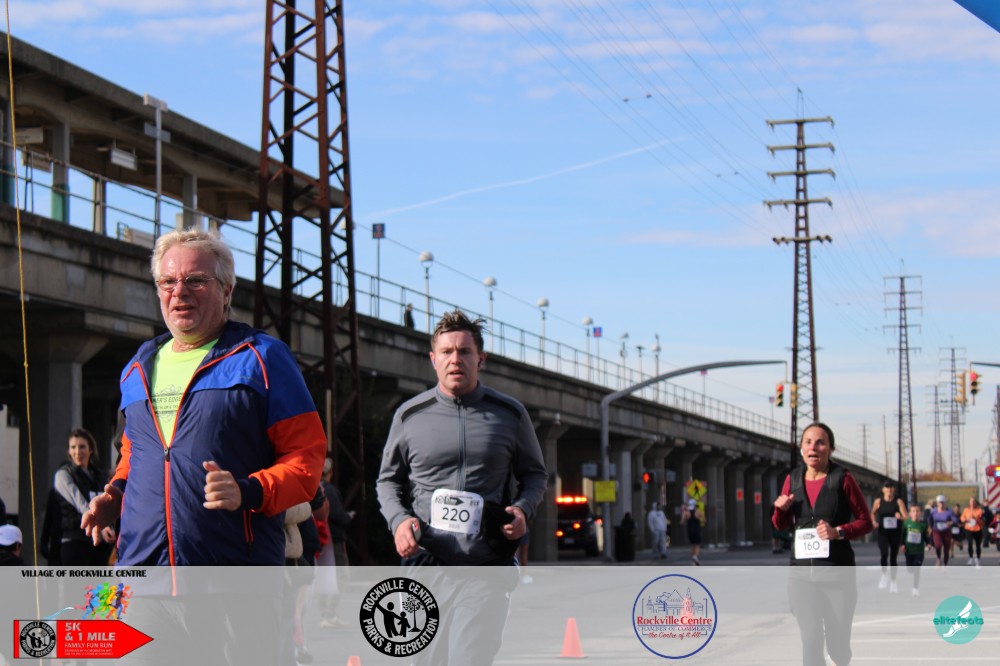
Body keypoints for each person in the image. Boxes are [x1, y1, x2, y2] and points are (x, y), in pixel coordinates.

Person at [79, 229, 327, 664]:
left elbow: (306, 458)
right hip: (141, 579)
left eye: (195, 280)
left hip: (236, 584)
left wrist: (249, 490)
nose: (179, 292)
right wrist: (115, 495)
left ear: (227, 290)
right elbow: (134, 452)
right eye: (168, 281)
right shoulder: (138, 365)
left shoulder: (263, 357)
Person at [377, 309, 547, 665]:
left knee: (467, 657)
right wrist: (399, 521)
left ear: (481, 359)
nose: (455, 359)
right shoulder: (410, 415)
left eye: (465, 351)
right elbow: (388, 481)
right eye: (447, 351)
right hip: (425, 564)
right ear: (433, 359)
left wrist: (522, 510)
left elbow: (534, 475)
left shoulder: (509, 414)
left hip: (485, 564)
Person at [772, 423, 872, 666]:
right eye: (808, 442)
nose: (813, 448)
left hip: (837, 574)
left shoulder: (842, 478)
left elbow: (866, 522)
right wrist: (780, 509)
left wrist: (838, 532)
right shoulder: (792, 479)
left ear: (831, 449)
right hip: (801, 576)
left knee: (838, 646)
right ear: (801, 448)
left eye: (820, 442)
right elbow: (780, 525)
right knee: (811, 640)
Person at [53, 428, 115, 566]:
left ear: (90, 449)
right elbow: (80, 503)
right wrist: (101, 525)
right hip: (75, 542)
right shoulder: (63, 475)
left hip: (99, 545)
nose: (77, 451)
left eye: (82, 447)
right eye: (73, 447)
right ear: (68, 451)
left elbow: (109, 503)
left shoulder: (100, 476)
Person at [318, 458, 353, 628]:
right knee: (341, 576)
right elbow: (337, 516)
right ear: (330, 472)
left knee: (323, 577)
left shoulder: (314, 488)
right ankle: (330, 613)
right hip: (334, 540)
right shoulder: (330, 490)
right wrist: (348, 517)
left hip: (319, 539)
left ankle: (325, 613)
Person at [870, 479, 906, 593]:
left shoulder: (898, 502)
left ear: (893, 490)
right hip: (883, 533)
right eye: (887, 488)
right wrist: (874, 522)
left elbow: (906, 517)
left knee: (893, 558)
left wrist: (900, 516)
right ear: (883, 490)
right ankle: (884, 575)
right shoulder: (878, 501)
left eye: (891, 488)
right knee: (884, 554)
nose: (889, 490)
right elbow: (872, 513)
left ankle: (893, 581)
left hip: (895, 533)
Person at [901, 503, 928, 596]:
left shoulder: (923, 524)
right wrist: (902, 545)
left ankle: (915, 588)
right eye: (913, 511)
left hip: (919, 551)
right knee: (910, 570)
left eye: (917, 511)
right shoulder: (906, 523)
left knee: (917, 569)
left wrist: (929, 543)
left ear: (920, 513)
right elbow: (902, 535)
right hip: (908, 550)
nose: (915, 513)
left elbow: (925, 536)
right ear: (910, 513)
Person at [928, 495, 958, 567]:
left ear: (945, 503)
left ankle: (945, 565)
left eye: (942, 503)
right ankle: (938, 558)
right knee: (938, 545)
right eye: (939, 502)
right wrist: (930, 527)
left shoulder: (949, 511)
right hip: (936, 531)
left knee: (946, 549)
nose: (941, 504)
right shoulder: (933, 511)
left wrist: (950, 522)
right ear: (937, 503)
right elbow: (929, 519)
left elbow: (956, 520)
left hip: (946, 531)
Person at [960, 496, 985, 568]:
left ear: (976, 502)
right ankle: (970, 558)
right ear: (969, 502)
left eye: (973, 501)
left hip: (977, 529)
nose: (972, 503)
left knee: (978, 545)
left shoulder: (979, 510)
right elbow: (962, 517)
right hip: (968, 529)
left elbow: (982, 522)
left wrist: (976, 519)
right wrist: (964, 519)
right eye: (971, 501)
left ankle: (977, 559)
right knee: (970, 543)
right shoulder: (966, 510)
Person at [682, 499, 703, 565]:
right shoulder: (699, 512)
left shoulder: (686, 512)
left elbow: (682, 521)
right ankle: (695, 556)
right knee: (697, 545)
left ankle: (693, 560)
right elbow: (704, 520)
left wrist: (686, 521)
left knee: (692, 545)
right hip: (697, 530)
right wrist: (700, 520)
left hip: (690, 530)